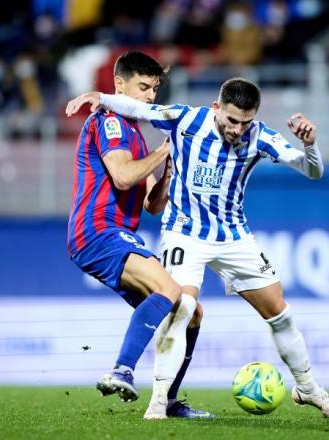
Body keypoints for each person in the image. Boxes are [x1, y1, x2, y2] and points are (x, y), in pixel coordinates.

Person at [65, 77, 329, 419]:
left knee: (280, 313)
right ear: (217, 108)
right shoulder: (188, 119)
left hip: (233, 236)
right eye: (231, 121)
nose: (237, 130)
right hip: (185, 232)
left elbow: (312, 171)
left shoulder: (260, 135)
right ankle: (159, 402)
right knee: (182, 306)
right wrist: (102, 97)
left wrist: (311, 145)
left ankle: (307, 389)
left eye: (245, 122)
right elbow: (138, 107)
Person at [67, 51, 212, 419]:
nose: (150, 97)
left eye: (154, 89)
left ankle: (169, 401)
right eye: (143, 87)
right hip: (98, 230)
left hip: (115, 234)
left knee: (189, 312)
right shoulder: (110, 120)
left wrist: (166, 173)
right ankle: (121, 369)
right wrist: (163, 150)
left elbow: (151, 204)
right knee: (170, 290)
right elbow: (123, 176)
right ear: (119, 85)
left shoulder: (134, 132)